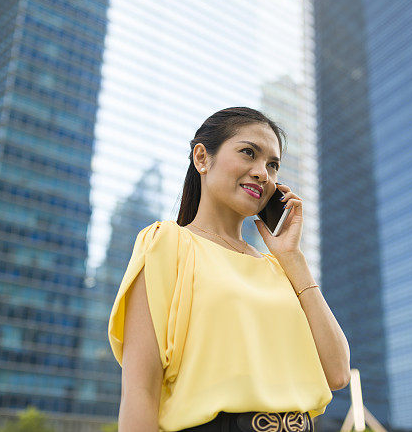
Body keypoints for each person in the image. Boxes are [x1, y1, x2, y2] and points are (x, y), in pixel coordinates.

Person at [108, 106, 351, 432]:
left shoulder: (280, 269)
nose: (263, 173)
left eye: (273, 165)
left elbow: (337, 373)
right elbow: (140, 391)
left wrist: (293, 258)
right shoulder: (167, 243)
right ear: (202, 158)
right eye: (248, 153)